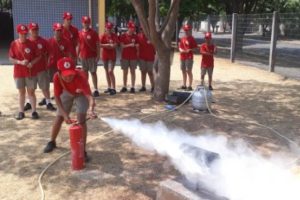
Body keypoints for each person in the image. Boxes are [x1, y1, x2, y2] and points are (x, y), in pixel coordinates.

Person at [43, 57, 96, 162]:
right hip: (66, 92)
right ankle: (52, 141)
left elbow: (89, 97)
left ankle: (82, 150)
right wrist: (64, 115)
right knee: (59, 118)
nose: (69, 77)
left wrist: (91, 109)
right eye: (66, 75)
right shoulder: (57, 77)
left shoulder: (81, 76)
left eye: (71, 74)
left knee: (81, 120)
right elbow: (57, 97)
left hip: (80, 94)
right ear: (59, 72)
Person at [9, 24, 41, 120]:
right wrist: (20, 62)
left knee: (31, 92)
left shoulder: (32, 44)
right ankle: (21, 111)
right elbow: (10, 58)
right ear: (18, 33)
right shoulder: (14, 44)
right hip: (19, 72)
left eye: (25, 34)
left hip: (30, 72)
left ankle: (34, 111)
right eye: (21, 34)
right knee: (21, 92)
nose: (23, 36)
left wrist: (32, 63)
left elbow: (38, 56)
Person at [24, 22, 56, 111]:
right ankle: (29, 103)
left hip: (42, 69)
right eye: (33, 30)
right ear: (29, 31)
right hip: (30, 70)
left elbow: (50, 53)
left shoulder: (43, 41)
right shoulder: (26, 42)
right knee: (30, 88)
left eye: (36, 29)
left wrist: (47, 63)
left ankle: (48, 102)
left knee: (45, 87)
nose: (35, 31)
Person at [78, 16, 100, 97]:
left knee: (93, 72)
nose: (86, 24)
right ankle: (86, 89)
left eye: (87, 22)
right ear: (82, 23)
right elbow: (79, 45)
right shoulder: (79, 33)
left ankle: (96, 89)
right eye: (84, 22)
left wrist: (98, 55)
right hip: (83, 56)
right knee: (85, 74)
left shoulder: (94, 33)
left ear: (89, 23)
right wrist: (77, 55)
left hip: (92, 56)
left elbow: (98, 45)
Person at [118, 21, 139, 93]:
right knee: (125, 72)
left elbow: (138, 45)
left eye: (134, 28)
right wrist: (130, 45)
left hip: (133, 56)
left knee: (133, 72)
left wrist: (136, 46)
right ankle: (124, 86)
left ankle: (132, 87)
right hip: (125, 56)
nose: (133, 29)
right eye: (132, 28)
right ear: (128, 28)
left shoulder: (136, 36)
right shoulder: (123, 36)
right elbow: (122, 46)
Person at [99, 22, 118, 95]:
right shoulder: (103, 36)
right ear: (105, 28)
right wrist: (107, 45)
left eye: (110, 28)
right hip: (105, 55)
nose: (109, 29)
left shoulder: (114, 36)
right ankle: (109, 87)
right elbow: (99, 45)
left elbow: (115, 45)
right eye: (107, 28)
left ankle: (113, 88)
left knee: (110, 71)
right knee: (106, 71)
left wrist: (110, 46)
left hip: (112, 56)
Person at [178, 24, 198, 91]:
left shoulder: (192, 38)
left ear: (190, 30)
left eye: (188, 30)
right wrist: (182, 50)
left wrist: (190, 50)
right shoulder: (182, 38)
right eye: (185, 30)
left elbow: (196, 48)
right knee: (183, 70)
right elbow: (180, 47)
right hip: (182, 56)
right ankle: (184, 85)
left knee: (188, 70)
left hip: (189, 57)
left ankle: (190, 86)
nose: (186, 31)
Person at [137, 27, 155, 92]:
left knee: (150, 72)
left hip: (150, 57)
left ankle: (153, 86)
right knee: (143, 72)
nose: (142, 31)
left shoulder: (151, 36)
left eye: (144, 29)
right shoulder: (138, 36)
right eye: (141, 29)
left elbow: (155, 46)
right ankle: (143, 86)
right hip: (142, 57)